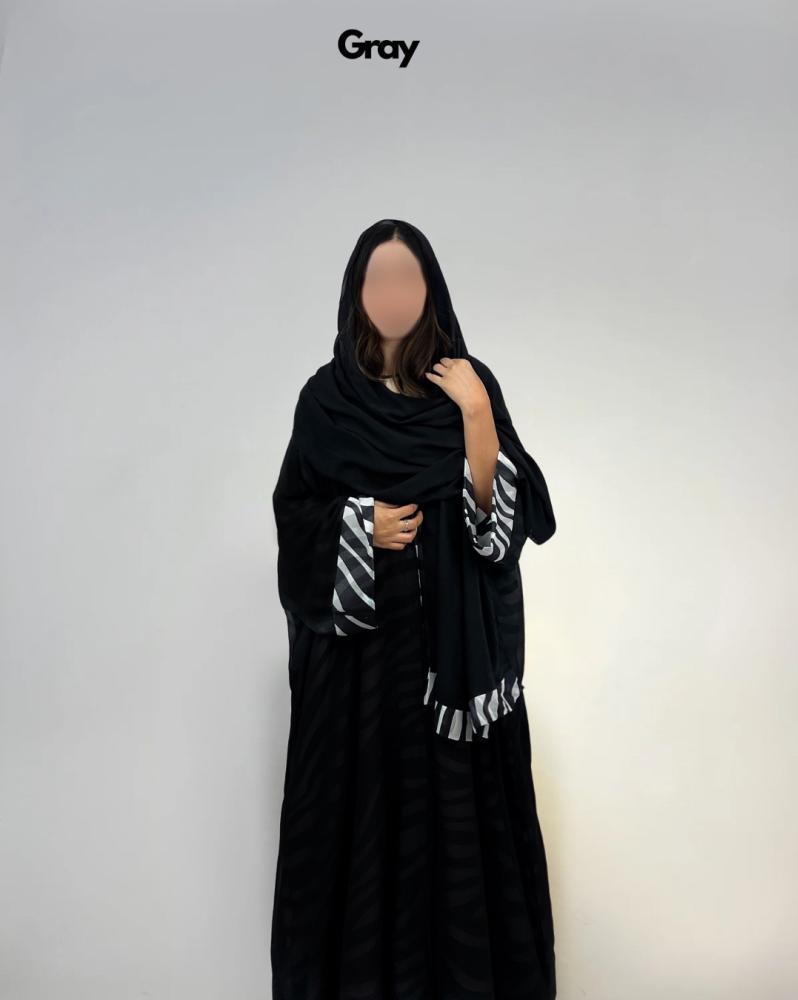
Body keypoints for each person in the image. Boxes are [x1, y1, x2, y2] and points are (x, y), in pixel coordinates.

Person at [271, 218, 558, 999]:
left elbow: (500, 529)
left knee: (458, 845)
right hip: (359, 684)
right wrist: (356, 526)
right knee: (363, 842)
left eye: (409, 278)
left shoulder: (470, 383)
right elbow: (295, 521)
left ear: (430, 288)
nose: (394, 294)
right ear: (357, 292)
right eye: (380, 279)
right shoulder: (326, 400)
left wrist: (476, 415)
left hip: (453, 680)